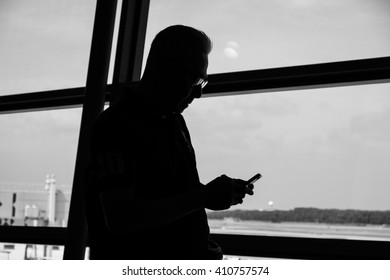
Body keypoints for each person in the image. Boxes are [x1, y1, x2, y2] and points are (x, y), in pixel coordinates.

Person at [85, 25, 254, 260]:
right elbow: (121, 218)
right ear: (165, 68)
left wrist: (212, 193)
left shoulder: (174, 121)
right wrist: (203, 197)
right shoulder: (115, 126)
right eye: (195, 79)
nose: (198, 94)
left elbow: (166, 193)